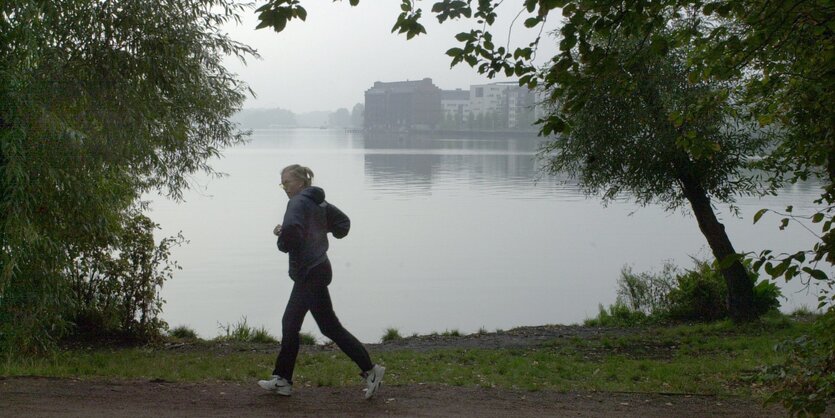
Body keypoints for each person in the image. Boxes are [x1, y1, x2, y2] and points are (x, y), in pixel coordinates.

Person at [258, 164, 385, 399]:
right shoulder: (319, 202)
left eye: (286, 182)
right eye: (282, 183)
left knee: (290, 322)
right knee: (329, 327)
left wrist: (282, 239)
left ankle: (283, 380)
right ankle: (371, 370)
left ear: (301, 182)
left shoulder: (296, 203)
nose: (284, 187)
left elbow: (294, 234)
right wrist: (315, 231)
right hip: (320, 268)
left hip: (309, 272)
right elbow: (342, 225)